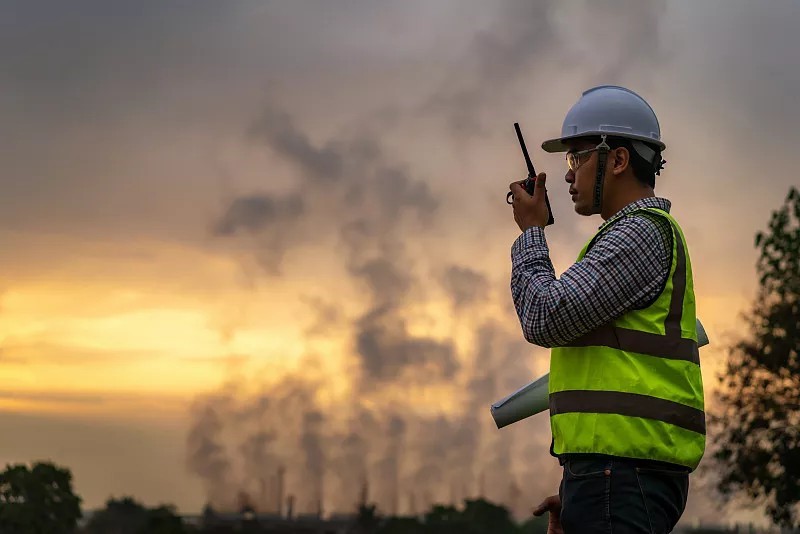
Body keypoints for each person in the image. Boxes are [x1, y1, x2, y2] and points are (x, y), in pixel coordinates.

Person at [508, 85, 705, 534]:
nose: (568, 174)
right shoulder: (632, 237)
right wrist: (584, 498)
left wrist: (530, 234)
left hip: (623, 474)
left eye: (577, 157)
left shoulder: (638, 234)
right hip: (613, 478)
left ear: (617, 160)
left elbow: (544, 316)